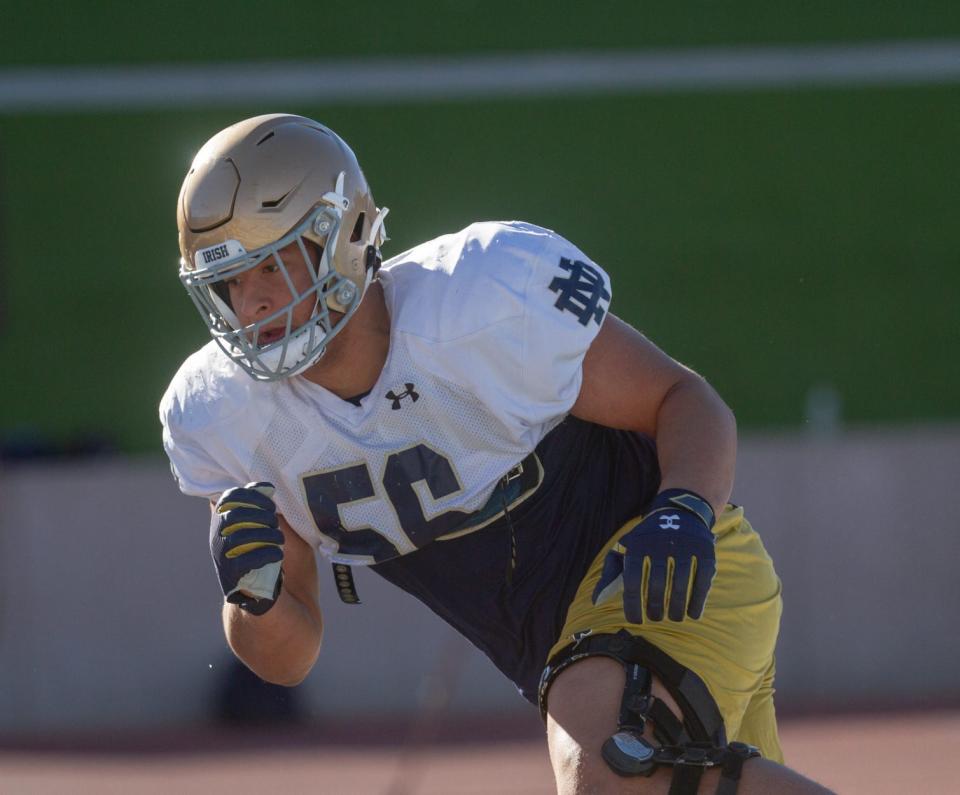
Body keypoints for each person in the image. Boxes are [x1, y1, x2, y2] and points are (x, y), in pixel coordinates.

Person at [160, 113, 831, 794]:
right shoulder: (224, 415)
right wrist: (255, 599)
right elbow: (289, 657)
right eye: (232, 283)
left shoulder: (481, 299)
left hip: (667, 573)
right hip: (572, 661)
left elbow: (683, 398)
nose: (253, 302)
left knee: (606, 772)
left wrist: (683, 505)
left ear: (340, 234)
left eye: (271, 263)